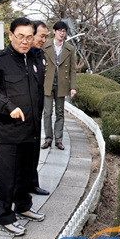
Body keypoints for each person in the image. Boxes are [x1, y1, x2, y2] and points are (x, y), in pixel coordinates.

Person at [0, 17, 45, 238]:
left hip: (31, 129)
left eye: (29, 37)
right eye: (20, 36)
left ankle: (23, 206)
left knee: (27, 172)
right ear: (10, 35)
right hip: (7, 129)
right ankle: (5, 217)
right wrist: (9, 106)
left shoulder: (34, 60)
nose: (25, 41)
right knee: (8, 175)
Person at [41, 21, 77, 151]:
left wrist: (73, 87)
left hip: (62, 84)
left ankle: (59, 140)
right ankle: (48, 139)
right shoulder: (45, 46)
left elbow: (73, 69)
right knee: (47, 112)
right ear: (54, 31)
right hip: (47, 83)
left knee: (60, 113)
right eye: (60, 30)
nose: (62, 33)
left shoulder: (69, 48)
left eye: (64, 31)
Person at [30, 21, 50, 195]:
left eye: (46, 36)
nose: (44, 39)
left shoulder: (40, 55)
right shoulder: (24, 55)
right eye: (41, 35)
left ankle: (33, 183)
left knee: (35, 149)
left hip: (37, 110)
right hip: (23, 112)